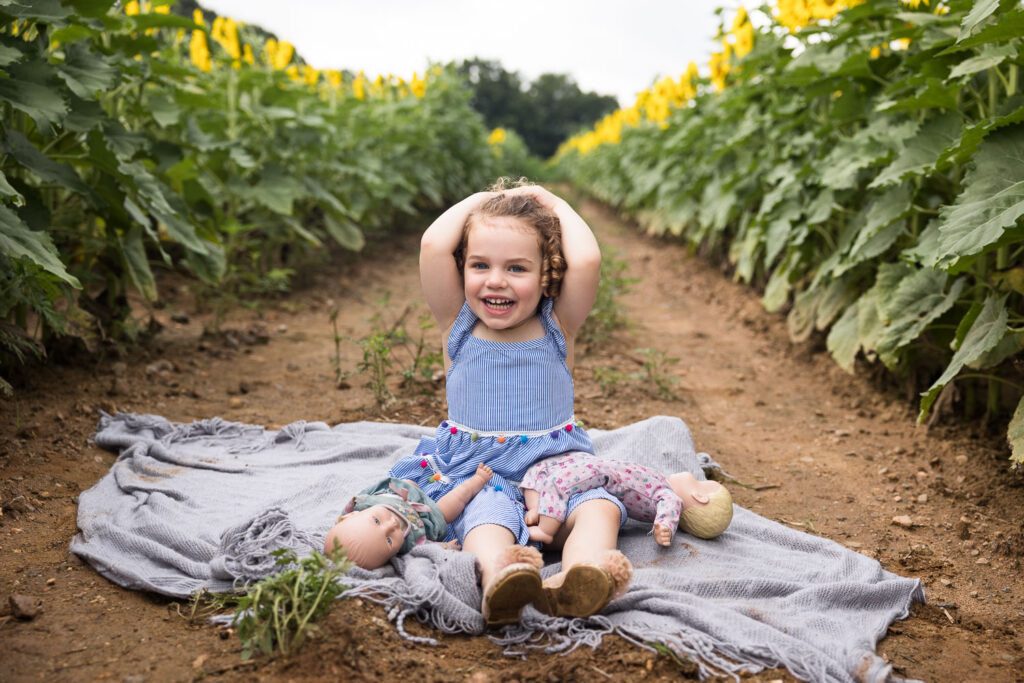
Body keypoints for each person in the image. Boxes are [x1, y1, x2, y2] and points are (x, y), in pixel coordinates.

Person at [387, 180, 632, 627]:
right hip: (482, 474)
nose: (495, 280)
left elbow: (589, 259)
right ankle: (504, 579)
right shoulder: (457, 325)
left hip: (556, 466)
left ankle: (583, 576)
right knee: (486, 522)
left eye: (517, 269)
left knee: (597, 506)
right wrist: (485, 202)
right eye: (480, 264)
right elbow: (432, 243)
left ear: (547, 276)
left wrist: (553, 203)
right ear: (462, 270)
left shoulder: (559, 325)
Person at [520, 453, 734, 545]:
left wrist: (665, 526)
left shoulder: (670, 496)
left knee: (558, 481)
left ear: (700, 497)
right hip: (600, 468)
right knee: (541, 470)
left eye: (702, 483)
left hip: (603, 474)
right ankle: (536, 508)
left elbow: (669, 510)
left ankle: (546, 530)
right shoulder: (664, 487)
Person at [324, 464, 495, 569]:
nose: (391, 525)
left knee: (409, 481)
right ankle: (476, 482)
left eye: (376, 521)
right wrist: (445, 547)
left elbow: (346, 514)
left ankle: (417, 486)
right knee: (450, 505)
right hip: (424, 518)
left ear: (353, 515)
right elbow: (426, 548)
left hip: (400, 493)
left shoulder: (359, 504)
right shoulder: (411, 542)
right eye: (389, 540)